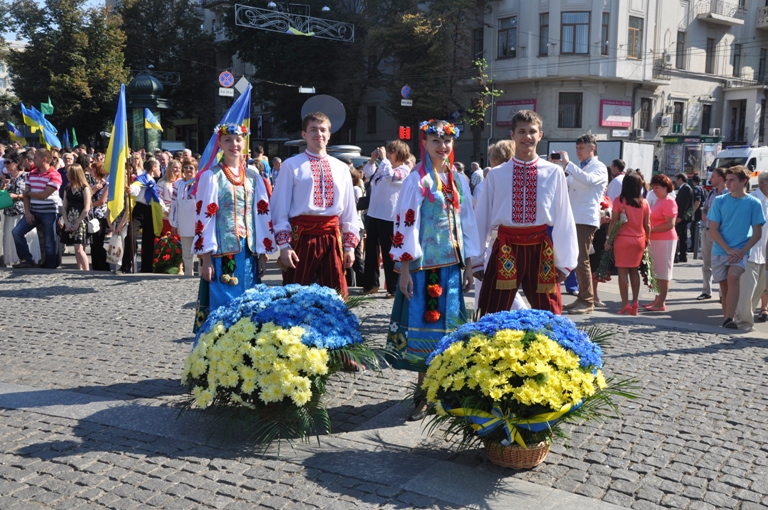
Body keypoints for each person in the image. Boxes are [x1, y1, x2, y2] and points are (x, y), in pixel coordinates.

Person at [386, 119, 481, 421]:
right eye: (435, 140)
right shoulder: (417, 180)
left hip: (451, 268)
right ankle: (423, 396)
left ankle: (446, 392)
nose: (442, 146)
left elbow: (467, 223)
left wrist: (469, 264)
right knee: (424, 331)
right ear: (424, 144)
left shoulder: (458, 180)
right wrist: (403, 269)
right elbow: (405, 224)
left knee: (448, 331)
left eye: (447, 141)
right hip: (423, 268)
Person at [473, 110, 577, 315]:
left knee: (548, 311)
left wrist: (565, 262)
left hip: (540, 248)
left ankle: (552, 346)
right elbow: (482, 216)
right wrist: (477, 259)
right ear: (512, 135)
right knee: (491, 310)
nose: (527, 136)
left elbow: (564, 216)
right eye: (521, 131)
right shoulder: (496, 174)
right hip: (505, 246)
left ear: (541, 135)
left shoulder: (554, 172)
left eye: (532, 131)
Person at [270, 112, 361, 300]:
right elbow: (280, 207)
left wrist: (350, 247)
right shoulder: (291, 165)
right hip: (301, 235)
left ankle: (336, 329)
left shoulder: (341, 168)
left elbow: (349, 210)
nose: (318, 134)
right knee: (295, 292)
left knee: (336, 294)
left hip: (331, 236)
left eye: (322, 130)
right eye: (313, 130)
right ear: (304, 134)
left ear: (329, 135)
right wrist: (285, 245)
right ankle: (292, 329)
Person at [192, 123, 274, 328]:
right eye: (228, 140)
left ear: (244, 144)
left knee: (250, 301)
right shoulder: (212, 176)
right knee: (226, 303)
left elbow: (262, 213)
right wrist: (206, 258)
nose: (233, 144)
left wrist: (263, 253)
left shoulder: (254, 176)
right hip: (222, 252)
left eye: (238, 140)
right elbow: (205, 218)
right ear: (219, 144)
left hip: (249, 251)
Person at [708, 166, 765, 329]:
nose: (727, 183)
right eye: (727, 180)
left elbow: (757, 233)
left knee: (734, 277)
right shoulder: (720, 201)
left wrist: (741, 251)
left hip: (741, 252)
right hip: (720, 250)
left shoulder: (754, 203)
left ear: (744, 181)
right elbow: (713, 229)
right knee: (724, 288)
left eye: (732, 180)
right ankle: (727, 319)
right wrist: (728, 249)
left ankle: (728, 319)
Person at [560, 134, 609, 314]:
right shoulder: (581, 167)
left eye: (581, 148)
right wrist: (557, 169)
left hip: (585, 218)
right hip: (574, 217)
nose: (578, 151)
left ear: (592, 148)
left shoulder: (599, 167)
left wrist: (568, 165)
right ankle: (582, 297)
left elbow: (588, 181)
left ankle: (588, 300)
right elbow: (567, 184)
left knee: (582, 259)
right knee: (576, 259)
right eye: (576, 148)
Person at [361, 140, 411, 297]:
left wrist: (383, 160)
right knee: (370, 251)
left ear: (400, 153)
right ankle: (370, 284)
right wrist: (372, 159)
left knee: (389, 252)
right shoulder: (384, 167)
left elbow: (391, 177)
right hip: (374, 214)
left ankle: (393, 287)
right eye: (387, 151)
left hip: (389, 216)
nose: (388, 154)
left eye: (391, 151)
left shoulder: (404, 169)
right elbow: (368, 173)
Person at [605, 173, 650, 315]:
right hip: (639, 239)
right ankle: (635, 302)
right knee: (634, 271)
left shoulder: (619, 201)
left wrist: (608, 239)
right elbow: (647, 224)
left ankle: (625, 304)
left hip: (622, 239)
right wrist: (648, 239)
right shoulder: (644, 203)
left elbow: (614, 221)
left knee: (623, 272)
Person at [12, 149, 62, 269]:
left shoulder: (55, 175)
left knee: (49, 242)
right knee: (17, 232)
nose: (33, 160)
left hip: (49, 212)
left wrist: (29, 193)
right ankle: (27, 259)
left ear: (44, 159)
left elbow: (45, 195)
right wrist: (28, 212)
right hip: (33, 211)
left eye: (36, 158)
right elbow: (26, 195)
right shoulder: (32, 173)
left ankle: (50, 266)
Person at [733, 171, 768, 330]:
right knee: (747, 291)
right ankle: (743, 323)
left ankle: (745, 319)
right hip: (750, 252)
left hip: (762, 253)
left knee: (759, 289)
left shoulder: (766, 201)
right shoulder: (752, 199)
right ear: (763, 183)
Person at [644, 174, 678, 312]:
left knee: (663, 273)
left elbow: (670, 224)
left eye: (657, 187)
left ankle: (661, 302)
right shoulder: (659, 200)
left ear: (665, 188)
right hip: (657, 239)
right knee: (657, 272)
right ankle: (657, 300)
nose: (654, 190)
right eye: (653, 188)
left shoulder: (669, 201)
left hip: (666, 239)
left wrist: (652, 228)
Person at [127, 159, 167, 273]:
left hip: (150, 211)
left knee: (149, 240)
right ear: (153, 168)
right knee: (131, 236)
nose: (160, 170)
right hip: (139, 210)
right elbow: (136, 187)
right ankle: (126, 265)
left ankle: (147, 268)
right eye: (158, 167)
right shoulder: (142, 178)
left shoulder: (153, 181)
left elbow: (156, 197)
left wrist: (164, 210)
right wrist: (131, 189)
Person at [2, 150, 41, 266]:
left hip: (23, 211)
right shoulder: (7, 178)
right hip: (9, 211)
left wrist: (17, 196)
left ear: (16, 163)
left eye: (8, 162)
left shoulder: (26, 176)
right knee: (10, 236)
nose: (6, 165)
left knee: (26, 235)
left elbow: (31, 193)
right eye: (5, 163)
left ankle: (29, 258)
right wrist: (3, 186)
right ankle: (16, 259)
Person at [698, 168, 727, 300]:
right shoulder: (711, 193)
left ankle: (722, 293)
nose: (711, 179)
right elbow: (705, 207)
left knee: (722, 264)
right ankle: (706, 290)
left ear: (720, 178)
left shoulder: (728, 194)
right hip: (707, 230)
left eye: (713, 177)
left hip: (720, 233)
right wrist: (704, 213)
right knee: (706, 264)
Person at [60, 164, 92, 271]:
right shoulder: (67, 189)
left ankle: (86, 270)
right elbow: (64, 207)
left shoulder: (85, 188)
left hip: (81, 219)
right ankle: (80, 269)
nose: (67, 174)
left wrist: (78, 222)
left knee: (79, 248)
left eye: (69, 173)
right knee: (76, 247)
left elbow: (86, 207)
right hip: (70, 219)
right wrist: (66, 222)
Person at [169, 157, 198, 276]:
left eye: (191, 168)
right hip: (184, 222)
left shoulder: (200, 183)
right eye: (185, 167)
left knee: (201, 252)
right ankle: (188, 274)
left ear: (195, 170)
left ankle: (201, 275)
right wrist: (174, 223)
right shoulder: (179, 184)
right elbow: (174, 203)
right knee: (186, 252)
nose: (188, 170)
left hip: (198, 223)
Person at [88, 161, 111, 271]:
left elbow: (102, 201)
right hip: (91, 215)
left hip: (101, 216)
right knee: (93, 243)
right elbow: (87, 196)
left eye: (93, 169)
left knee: (98, 242)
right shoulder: (93, 184)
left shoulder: (107, 184)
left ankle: (104, 266)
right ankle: (96, 265)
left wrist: (89, 204)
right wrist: (93, 189)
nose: (91, 171)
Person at [674, 173, 694, 263]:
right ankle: (683, 255)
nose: (676, 182)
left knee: (676, 235)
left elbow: (684, 204)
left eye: (677, 180)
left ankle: (677, 256)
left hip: (683, 217)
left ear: (680, 179)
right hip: (683, 216)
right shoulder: (683, 188)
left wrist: (680, 217)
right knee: (683, 236)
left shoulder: (686, 188)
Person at [690, 174, 705, 259]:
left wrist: (693, 211)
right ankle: (695, 246)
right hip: (700, 211)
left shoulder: (696, 189)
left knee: (695, 229)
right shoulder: (702, 187)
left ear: (693, 181)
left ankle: (695, 247)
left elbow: (697, 201)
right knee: (696, 229)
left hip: (697, 211)